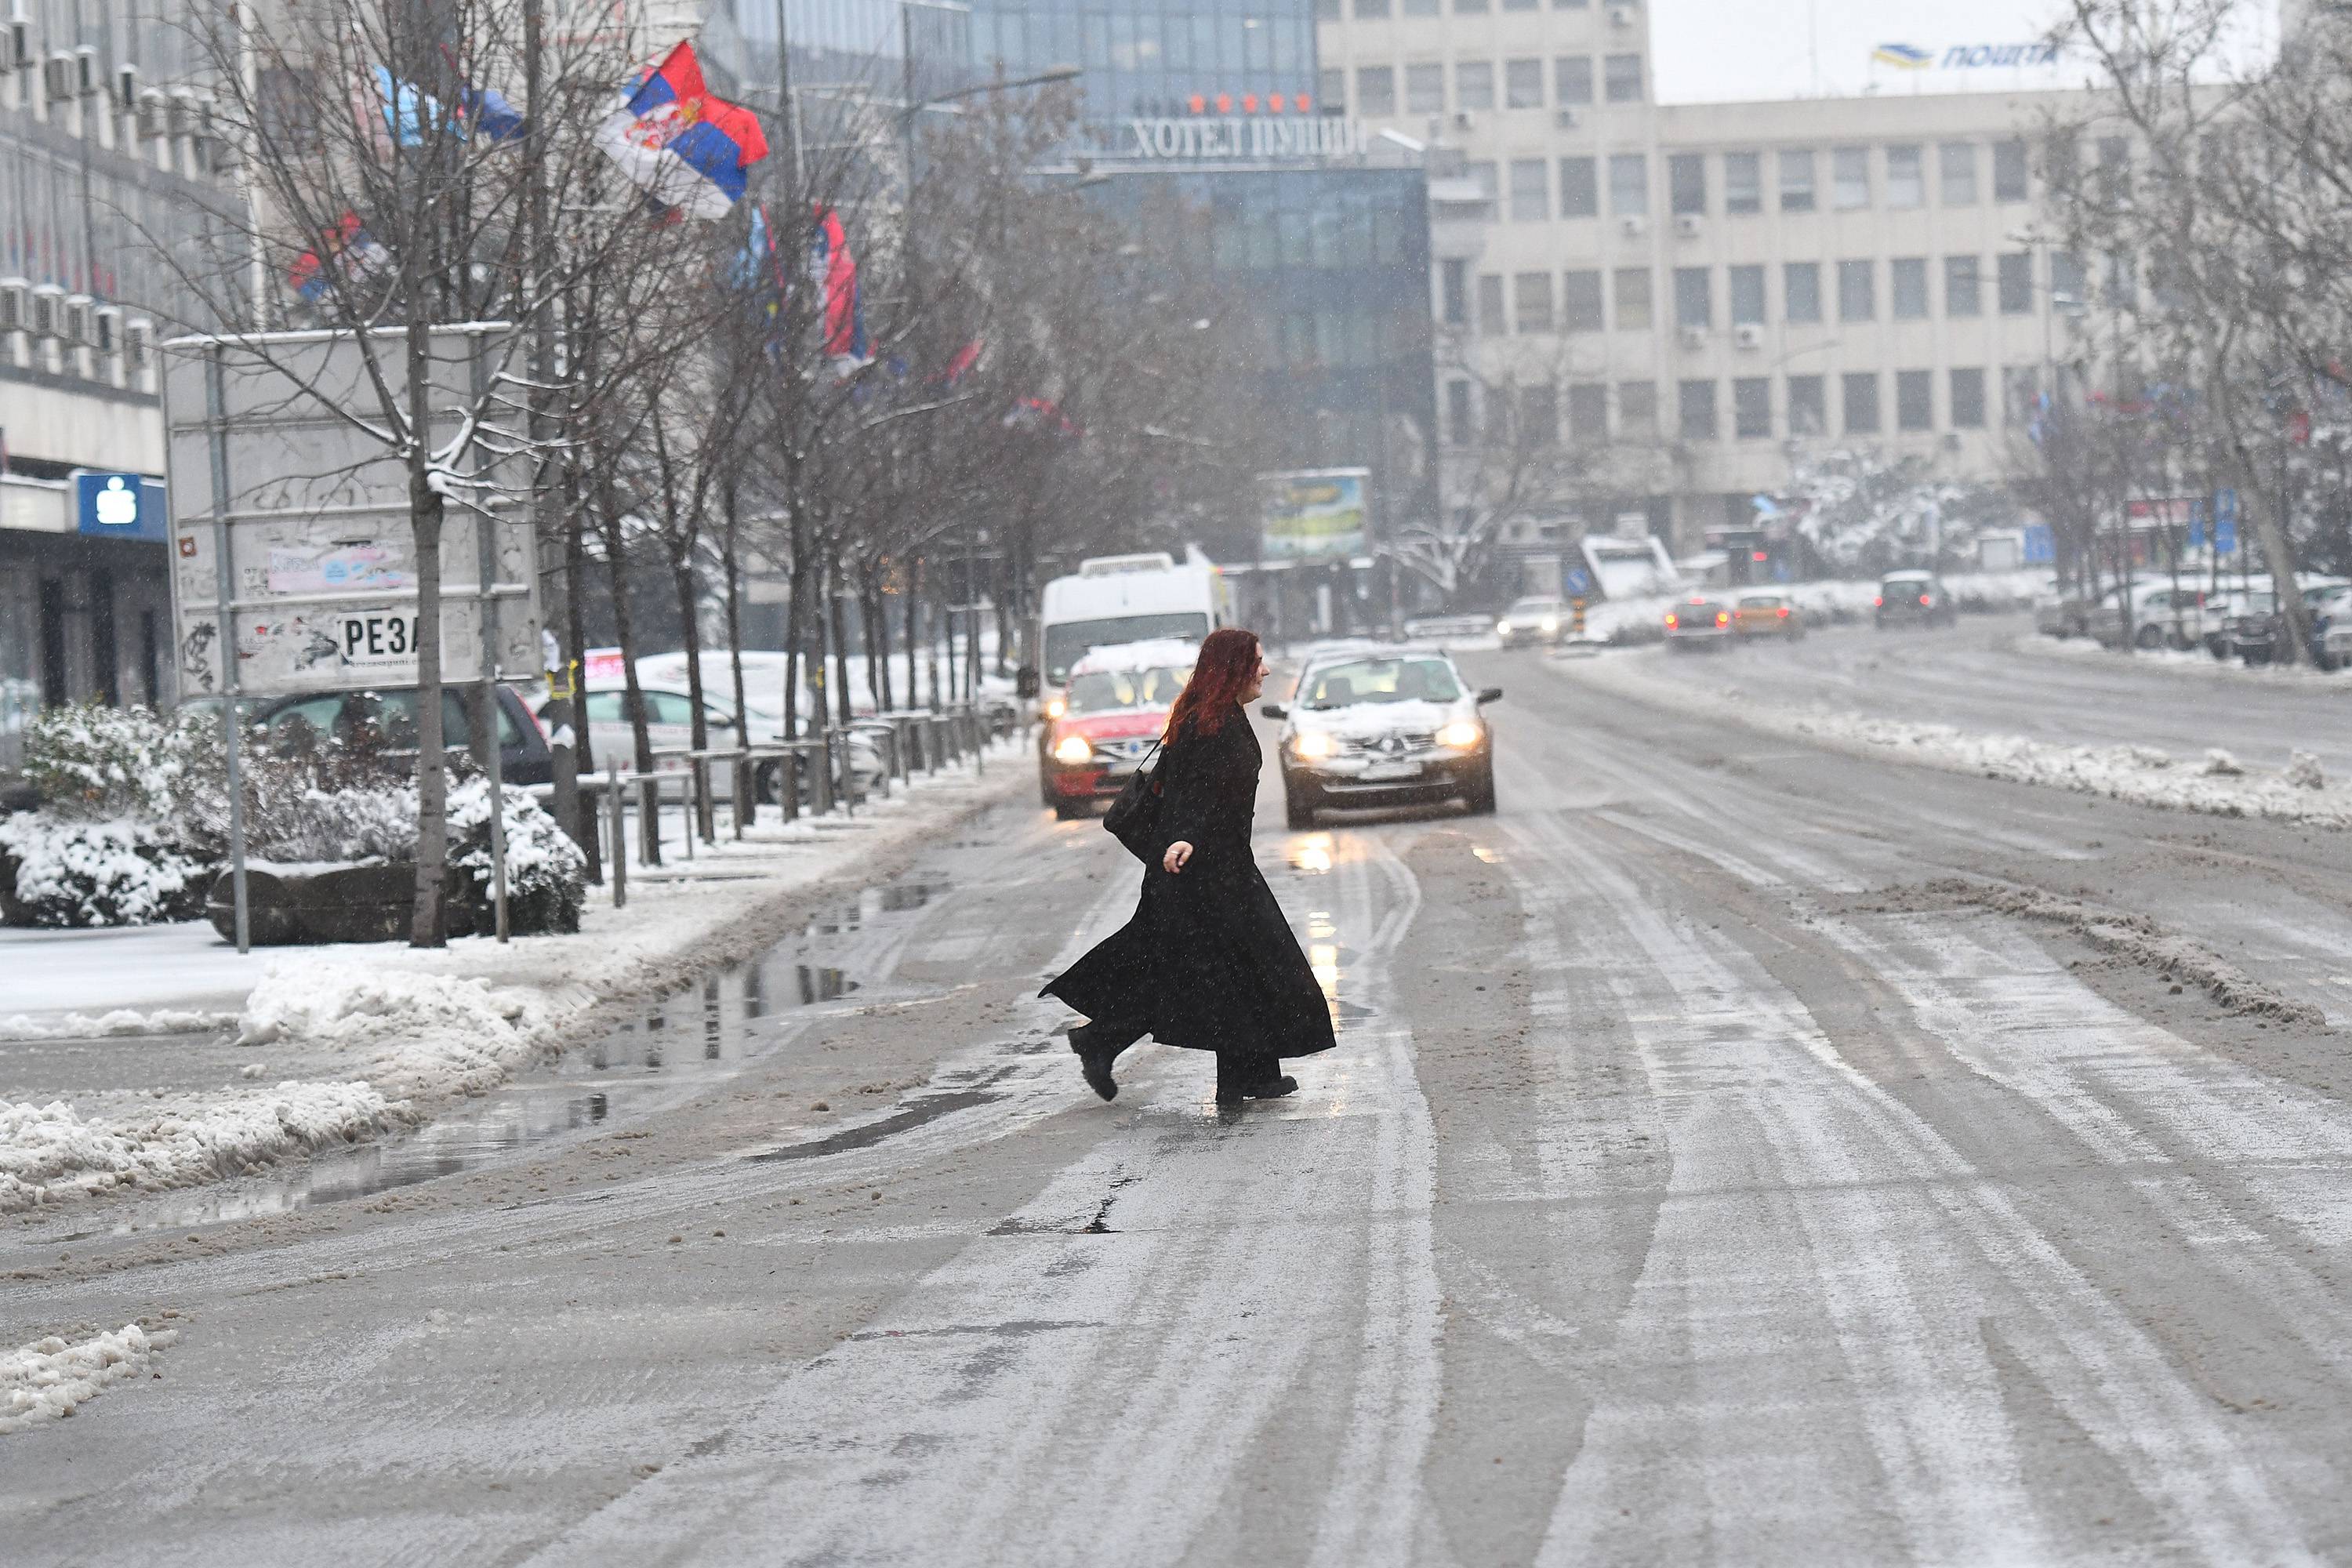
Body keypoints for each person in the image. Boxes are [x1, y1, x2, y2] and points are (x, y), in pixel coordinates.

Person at [1040, 627, 1338, 1106]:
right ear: (1234, 669)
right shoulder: (1208, 725)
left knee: (1228, 970)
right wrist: (1185, 838)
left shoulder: (1220, 717)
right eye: (1257, 661)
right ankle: (1110, 1042)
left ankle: (1244, 1073)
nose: (1265, 670)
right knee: (1215, 970)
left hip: (1221, 867)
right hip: (1200, 872)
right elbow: (1191, 796)